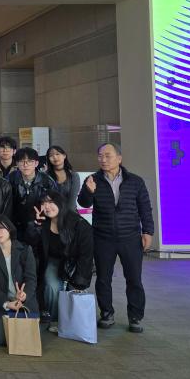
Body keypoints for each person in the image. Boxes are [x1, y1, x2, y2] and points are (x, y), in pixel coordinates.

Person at [78, 142, 153, 333]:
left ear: (119, 158)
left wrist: (148, 232)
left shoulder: (135, 181)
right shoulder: (92, 179)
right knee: (103, 278)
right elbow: (83, 203)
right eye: (100, 156)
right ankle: (106, 313)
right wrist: (88, 191)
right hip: (103, 237)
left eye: (107, 155)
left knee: (134, 279)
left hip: (131, 237)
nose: (103, 159)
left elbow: (145, 208)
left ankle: (135, 317)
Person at [26, 190, 93, 332]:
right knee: (52, 286)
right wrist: (36, 225)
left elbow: (86, 256)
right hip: (53, 260)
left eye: (51, 202)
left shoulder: (79, 224)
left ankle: (72, 321)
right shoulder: (43, 222)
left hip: (74, 263)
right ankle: (55, 318)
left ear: (60, 203)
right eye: (44, 203)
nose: (47, 206)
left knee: (73, 293)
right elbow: (31, 244)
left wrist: (79, 282)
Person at [0, 215, 38, 346]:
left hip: (24, 302)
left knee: (26, 336)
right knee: (0, 338)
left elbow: (31, 279)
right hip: (1, 303)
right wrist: (7, 303)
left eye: (1, 228)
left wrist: (24, 295)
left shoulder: (25, 250)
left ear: (10, 229)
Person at [8, 147, 59, 241]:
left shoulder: (47, 181)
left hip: (40, 225)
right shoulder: (11, 179)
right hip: (15, 225)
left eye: (30, 161)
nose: (25, 165)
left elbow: (56, 204)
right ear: (17, 163)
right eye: (22, 161)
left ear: (36, 163)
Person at [46, 146, 80, 211]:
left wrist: (67, 216)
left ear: (64, 156)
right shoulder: (45, 176)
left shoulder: (74, 176)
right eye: (51, 155)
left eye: (57, 154)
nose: (55, 157)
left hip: (70, 213)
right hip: (51, 213)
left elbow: (72, 201)